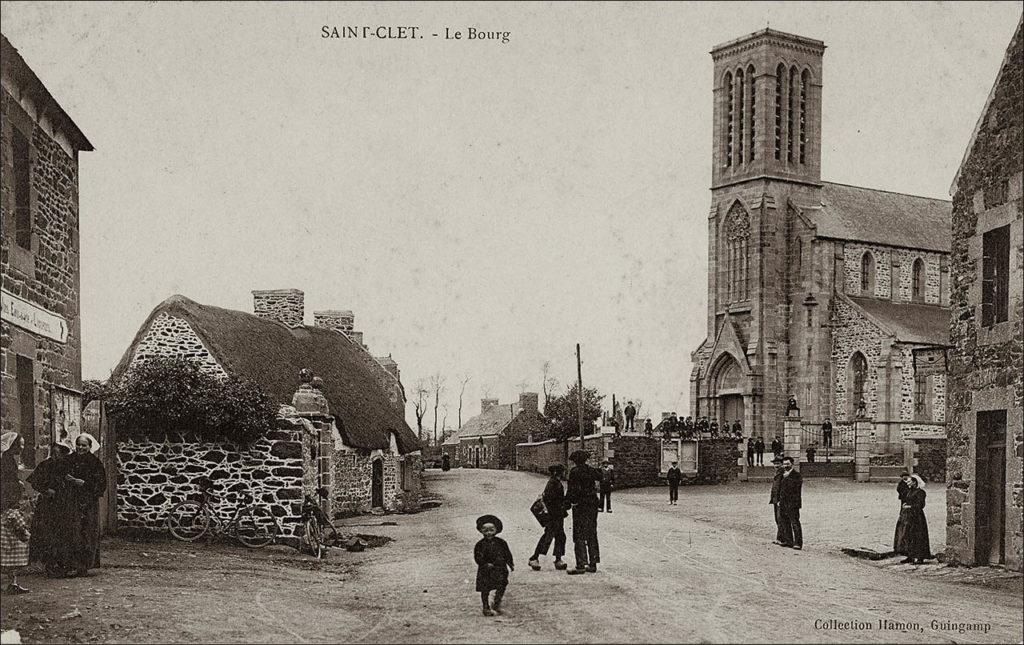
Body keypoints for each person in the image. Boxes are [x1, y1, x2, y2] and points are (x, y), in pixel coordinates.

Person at [26, 442, 73, 577]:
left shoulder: (67, 465)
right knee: (49, 533)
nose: (55, 456)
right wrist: (46, 490)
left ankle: (62, 563)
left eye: (58, 453)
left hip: (64, 503)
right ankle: (50, 564)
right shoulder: (44, 465)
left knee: (63, 533)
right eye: (53, 453)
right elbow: (35, 482)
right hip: (48, 505)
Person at [65, 433, 107, 575]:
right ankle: (72, 564)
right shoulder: (69, 460)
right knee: (73, 531)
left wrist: (84, 483)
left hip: (89, 502)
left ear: (89, 447)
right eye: (78, 444)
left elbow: (101, 484)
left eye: (84, 445)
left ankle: (84, 565)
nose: (80, 447)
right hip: (72, 500)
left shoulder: (95, 463)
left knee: (87, 532)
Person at [565, 450, 600, 574]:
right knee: (591, 533)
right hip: (592, 505)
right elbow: (601, 477)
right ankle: (593, 563)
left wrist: (567, 504)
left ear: (575, 461)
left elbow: (571, 490)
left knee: (579, 534)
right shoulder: (591, 470)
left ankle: (580, 564)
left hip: (580, 506)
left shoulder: (574, 472)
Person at [529, 465, 568, 571]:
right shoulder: (553, 483)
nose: (564, 473)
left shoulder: (555, 482)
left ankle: (558, 559)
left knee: (560, 536)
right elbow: (551, 500)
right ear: (557, 472)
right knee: (549, 536)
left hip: (557, 514)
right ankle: (534, 558)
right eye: (562, 471)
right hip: (553, 515)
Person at [474, 514, 514, 616]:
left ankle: (497, 603)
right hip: (486, 570)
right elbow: (477, 557)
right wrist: (484, 564)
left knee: (502, 584)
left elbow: (507, 553)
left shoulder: (501, 542)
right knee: (485, 588)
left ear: (496, 530)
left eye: (491, 530)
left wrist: (510, 563)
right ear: (481, 531)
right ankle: (486, 607)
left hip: (500, 568)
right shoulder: (480, 544)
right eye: (485, 530)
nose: (488, 533)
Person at [1, 482, 31, 594]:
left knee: (3, 566)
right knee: (12, 566)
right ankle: (12, 584)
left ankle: (6, 585)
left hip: (3, 544)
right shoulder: (14, 513)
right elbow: (21, 528)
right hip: (11, 545)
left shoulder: (3, 513)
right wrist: (27, 535)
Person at [899, 474, 931, 564]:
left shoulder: (920, 492)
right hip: (909, 516)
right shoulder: (909, 491)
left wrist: (910, 506)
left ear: (914, 482)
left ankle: (920, 557)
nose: (907, 483)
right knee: (908, 535)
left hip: (917, 517)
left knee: (918, 536)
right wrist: (905, 505)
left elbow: (921, 505)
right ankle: (910, 556)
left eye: (909, 481)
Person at [777, 456, 803, 549]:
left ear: (792, 464)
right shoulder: (783, 474)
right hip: (783, 502)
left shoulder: (797, 475)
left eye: (787, 464)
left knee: (795, 522)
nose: (785, 466)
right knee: (785, 522)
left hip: (793, 503)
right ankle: (789, 541)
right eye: (784, 464)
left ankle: (798, 543)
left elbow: (795, 488)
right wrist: (779, 500)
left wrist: (787, 478)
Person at [768, 456, 791, 546]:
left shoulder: (782, 473)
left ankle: (783, 539)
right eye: (775, 464)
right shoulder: (778, 472)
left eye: (778, 463)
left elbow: (782, 488)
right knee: (778, 519)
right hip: (775, 499)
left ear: (782, 464)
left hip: (779, 499)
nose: (776, 465)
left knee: (780, 519)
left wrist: (780, 499)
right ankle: (780, 538)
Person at [893, 472, 912, 556]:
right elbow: (899, 489)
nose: (905, 477)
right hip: (904, 499)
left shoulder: (909, 483)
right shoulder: (901, 484)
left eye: (906, 476)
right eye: (904, 476)